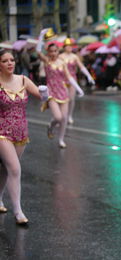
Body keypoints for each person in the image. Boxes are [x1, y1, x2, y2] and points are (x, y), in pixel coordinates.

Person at [0, 49, 49, 225]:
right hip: (2, 132)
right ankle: (18, 212)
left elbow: (43, 98)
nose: (10, 63)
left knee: (6, 169)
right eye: (5, 61)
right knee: (14, 169)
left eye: (12, 60)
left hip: (21, 132)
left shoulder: (23, 79)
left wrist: (44, 92)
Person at [36, 29, 84, 148]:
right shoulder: (47, 61)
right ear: (48, 52)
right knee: (58, 117)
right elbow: (38, 51)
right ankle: (50, 126)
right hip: (51, 92)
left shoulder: (62, 62)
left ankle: (61, 140)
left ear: (58, 51)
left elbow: (69, 77)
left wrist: (79, 89)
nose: (53, 53)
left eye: (55, 51)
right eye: (51, 51)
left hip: (63, 92)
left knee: (64, 119)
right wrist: (41, 36)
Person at [59, 37, 95, 124]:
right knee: (64, 99)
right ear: (64, 47)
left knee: (71, 99)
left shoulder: (74, 56)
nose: (69, 47)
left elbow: (81, 67)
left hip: (73, 80)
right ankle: (62, 115)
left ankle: (69, 115)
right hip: (63, 80)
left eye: (71, 46)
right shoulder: (60, 57)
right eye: (67, 46)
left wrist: (89, 76)